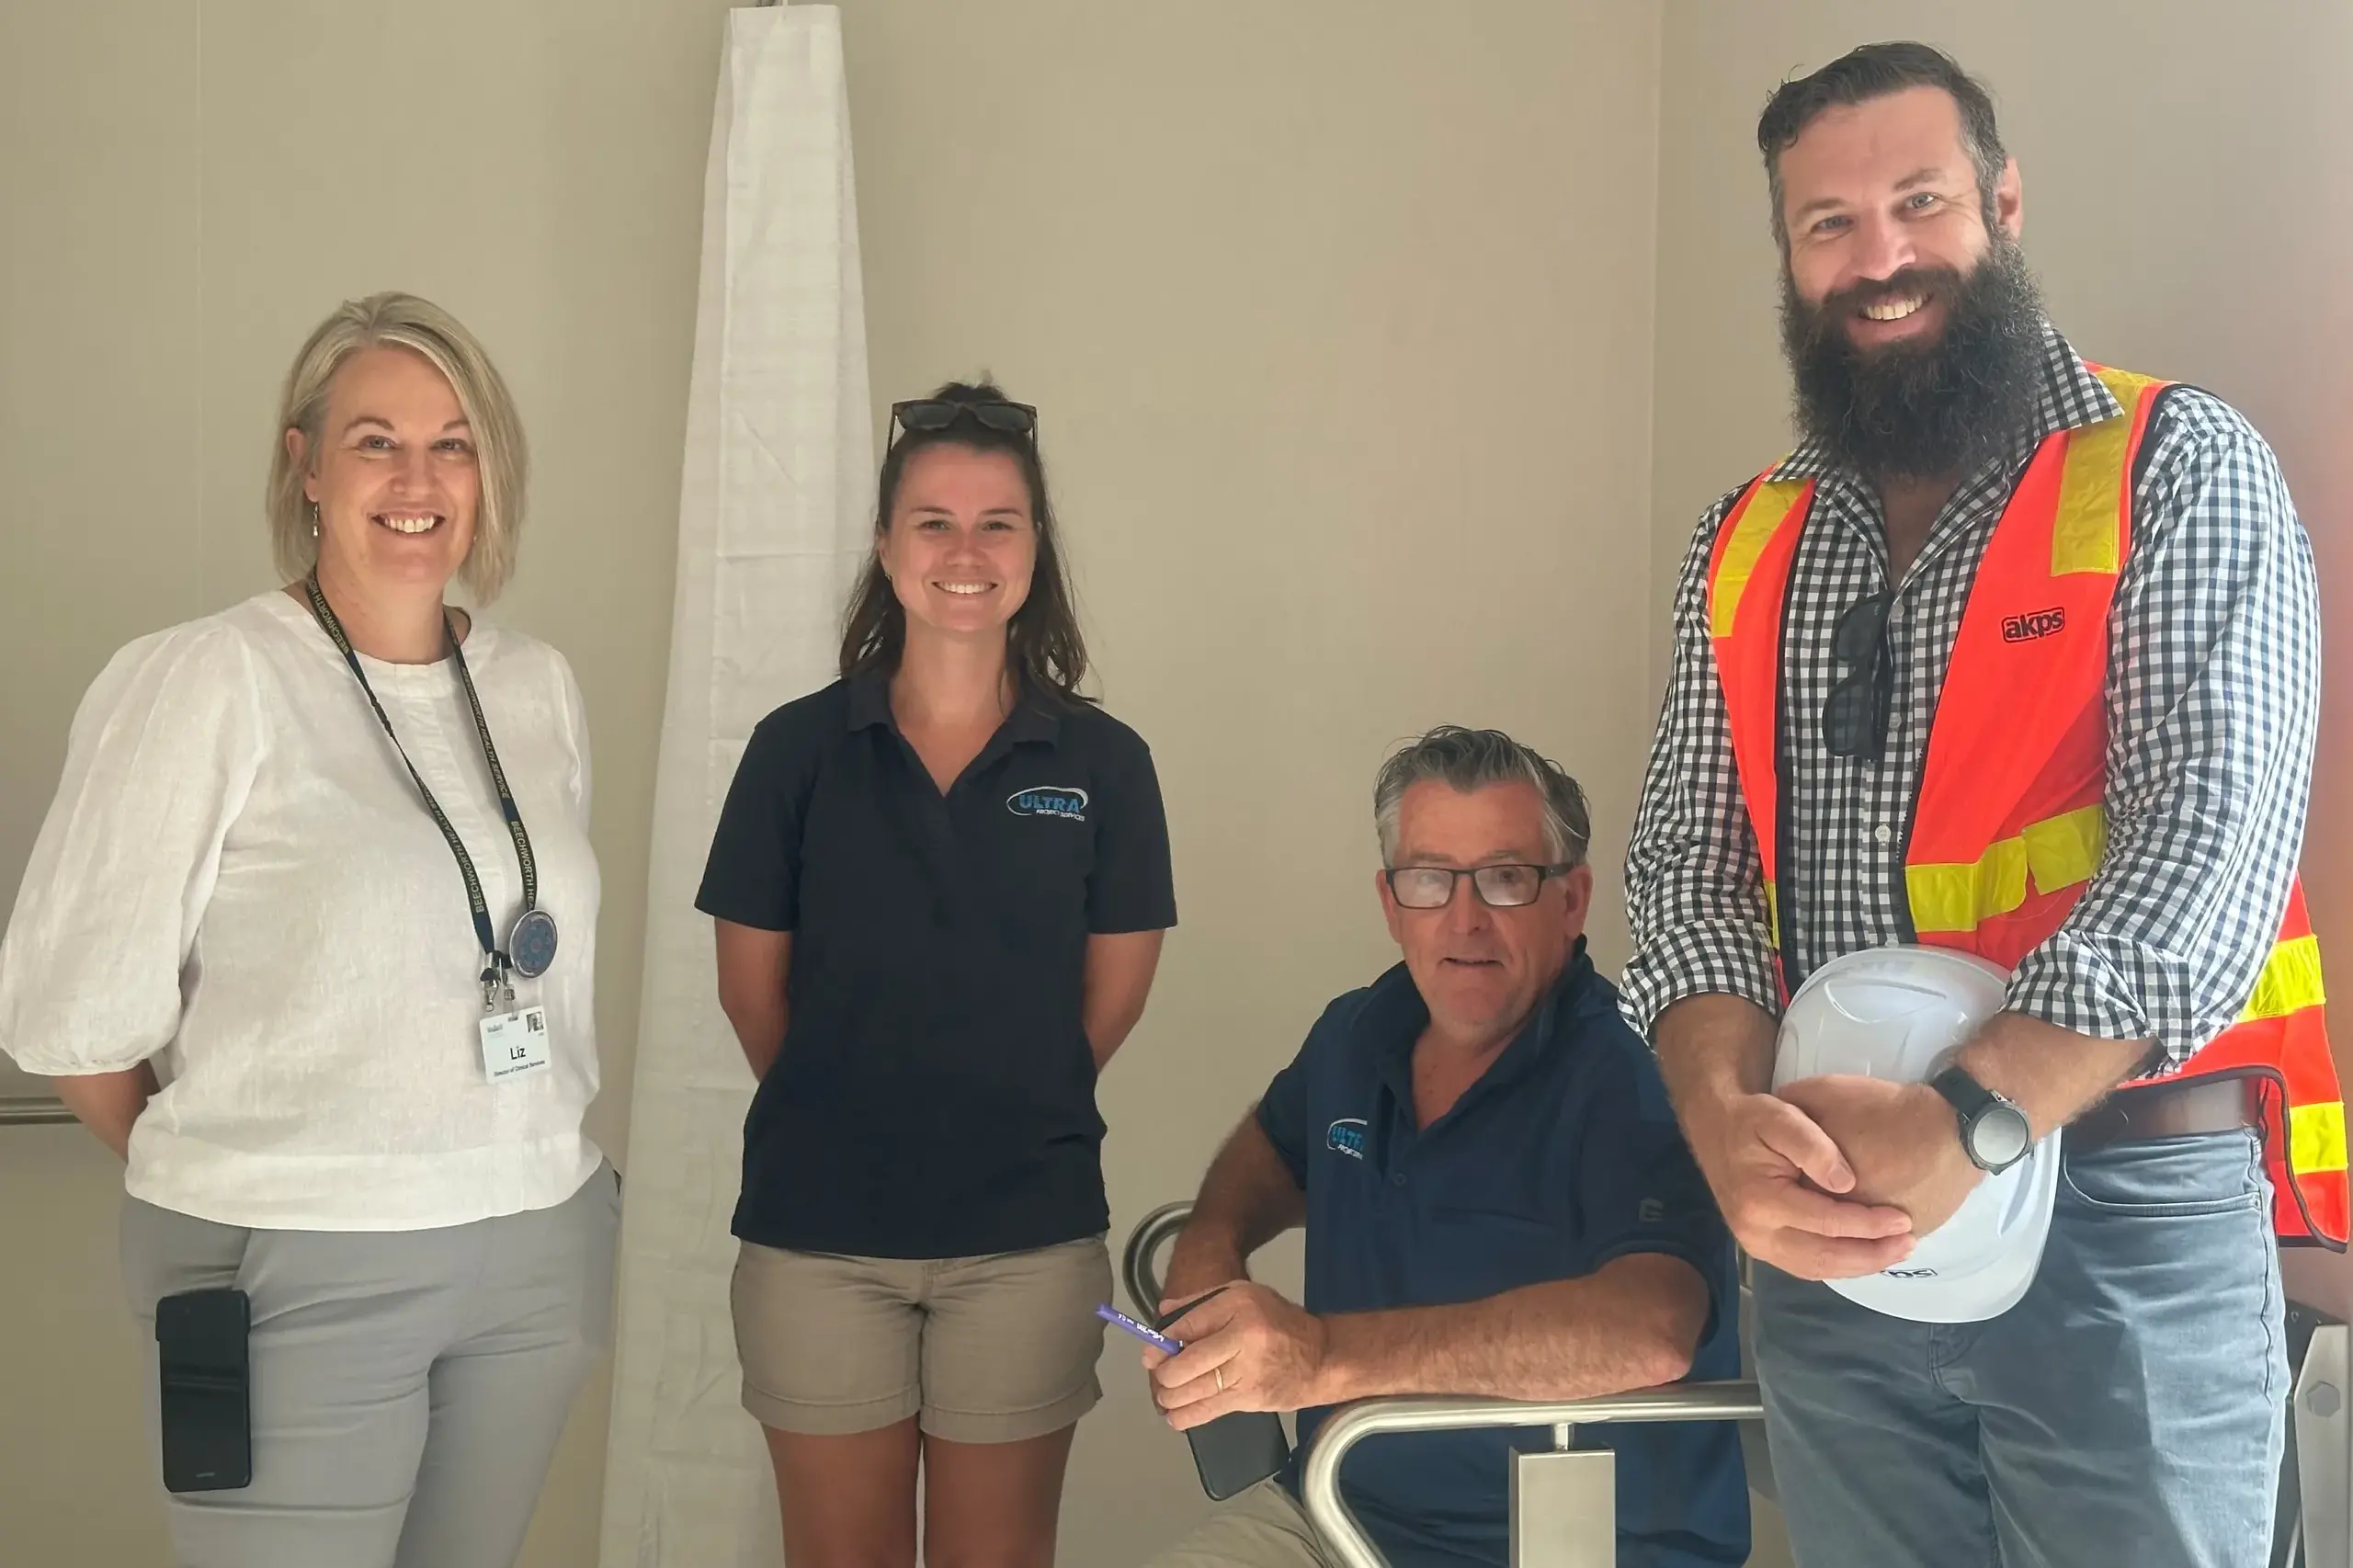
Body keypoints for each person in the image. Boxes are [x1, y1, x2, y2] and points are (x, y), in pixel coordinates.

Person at [1621, 42, 2341, 1568]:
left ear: (2003, 205)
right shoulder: (1746, 536)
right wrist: (1722, 1124)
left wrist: (1969, 1117)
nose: (1880, 258)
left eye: (1920, 201)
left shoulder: (2172, 465)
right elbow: (1689, 871)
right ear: (1788, 257)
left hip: (2119, 1216)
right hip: (1828, 1226)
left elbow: (2204, 853)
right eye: (1829, 223)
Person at [0, 291, 616, 1568]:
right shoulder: (208, 678)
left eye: (452, 444)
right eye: (375, 441)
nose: (417, 480)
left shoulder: (535, 686)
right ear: (307, 466)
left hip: (532, 1244)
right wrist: (238, 1173)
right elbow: (71, 1014)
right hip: (293, 1260)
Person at [697, 381, 1177, 1568]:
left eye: (996, 523)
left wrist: (1000, 1096)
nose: (966, 553)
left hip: (1025, 1242)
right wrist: (855, 1098)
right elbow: (751, 992)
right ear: (885, 544)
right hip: (819, 1242)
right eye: (934, 522)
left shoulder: (1106, 764)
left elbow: (1110, 997)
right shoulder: (795, 751)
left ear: (1034, 547)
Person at [1140, 726, 1747, 1568]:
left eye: (1505, 878)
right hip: (1334, 1514)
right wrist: (1211, 1241)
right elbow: (1274, 1152)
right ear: (1391, 904)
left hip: (1574, 1547)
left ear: (1572, 902)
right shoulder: (1354, 1034)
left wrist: (1322, 1359)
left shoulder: (1638, 1072)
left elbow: (1653, 1332)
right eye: (1429, 879)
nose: (1465, 919)